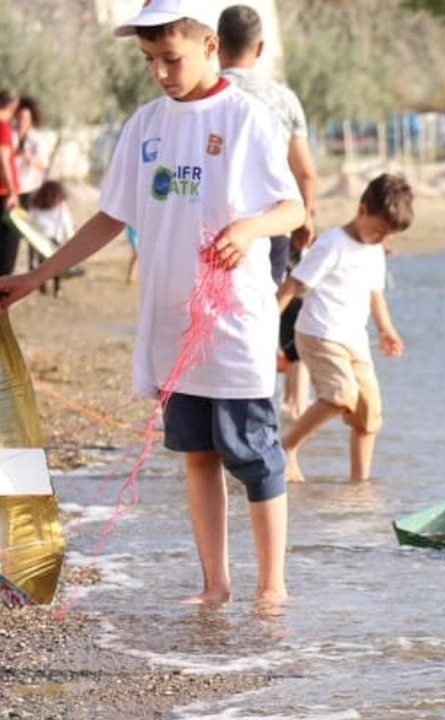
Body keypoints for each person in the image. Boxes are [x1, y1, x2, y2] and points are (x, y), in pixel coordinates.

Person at [0, 0, 305, 606]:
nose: (161, 72)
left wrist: (247, 231)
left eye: (171, 58)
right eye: (149, 61)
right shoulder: (144, 125)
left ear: (210, 46)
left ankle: (272, 587)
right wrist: (38, 276)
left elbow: (292, 209)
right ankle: (215, 586)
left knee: (254, 454)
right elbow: (110, 217)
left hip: (233, 321)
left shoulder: (246, 116)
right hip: (170, 323)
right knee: (196, 453)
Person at [217, 4, 320, 419]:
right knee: (261, 309)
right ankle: (253, 403)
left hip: (211, 218)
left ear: (216, 45)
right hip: (271, 222)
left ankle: (212, 399)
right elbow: (306, 173)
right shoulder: (282, 99)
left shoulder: (203, 93)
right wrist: (304, 218)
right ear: (259, 48)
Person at [275, 173, 410, 484]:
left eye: (389, 235)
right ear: (362, 210)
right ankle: (288, 446)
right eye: (378, 230)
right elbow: (294, 284)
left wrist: (386, 330)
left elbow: (375, 294)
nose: (382, 239)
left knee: (369, 414)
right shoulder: (332, 243)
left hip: (354, 341)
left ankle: (359, 483)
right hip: (318, 333)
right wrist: (268, 326)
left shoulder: (375, 250)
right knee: (340, 395)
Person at [25, 179, 77, 296]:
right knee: (47, 265)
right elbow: (67, 228)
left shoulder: (58, 210)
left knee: (48, 265)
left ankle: (51, 287)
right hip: (44, 240)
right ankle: (49, 287)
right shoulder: (41, 208)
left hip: (46, 240)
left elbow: (68, 227)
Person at [0, 89, 22, 276]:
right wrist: (12, 192)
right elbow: (4, 158)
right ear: (13, 106)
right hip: (4, 194)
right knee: (7, 253)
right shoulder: (3, 127)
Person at [14, 97, 47, 212]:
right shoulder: (10, 135)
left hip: (28, 189)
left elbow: (43, 164)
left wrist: (28, 156)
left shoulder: (36, 139)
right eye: (18, 117)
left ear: (31, 120)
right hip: (10, 188)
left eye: (24, 118)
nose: (20, 121)